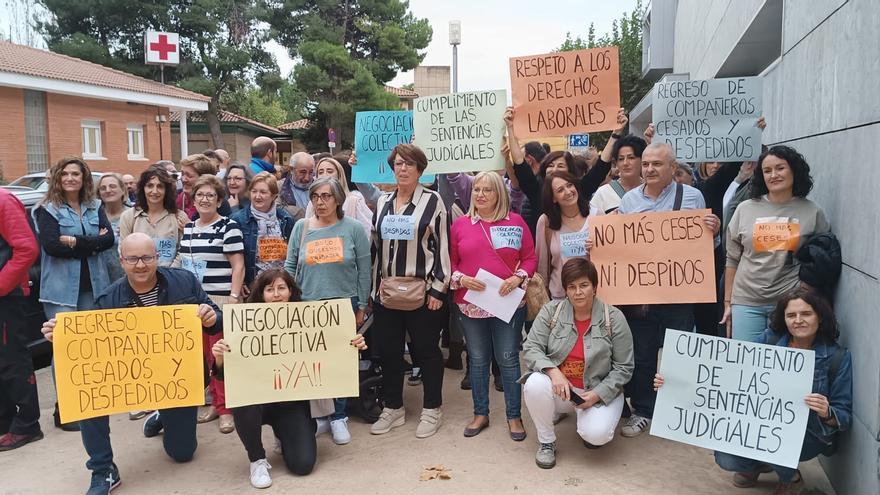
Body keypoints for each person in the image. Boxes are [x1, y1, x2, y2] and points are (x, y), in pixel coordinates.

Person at [40, 232, 221, 495]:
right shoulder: (108, 300)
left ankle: (162, 413)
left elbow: (219, 317)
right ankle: (103, 469)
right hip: (132, 381)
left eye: (147, 257)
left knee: (182, 453)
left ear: (157, 258)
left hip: (176, 381)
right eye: (133, 258)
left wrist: (210, 317)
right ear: (121, 261)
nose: (140, 265)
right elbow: (90, 349)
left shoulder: (185, 282)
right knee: (87, 393)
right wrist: (62, 337)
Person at [654, 288, 851, 494]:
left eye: (806, 314)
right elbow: (726, 372)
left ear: (820, 317)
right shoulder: (770, 340)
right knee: (726, 457)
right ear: (783, 320)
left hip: (808, 434)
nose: (798, 320)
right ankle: (761, 464)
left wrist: (827, 411)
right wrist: (674, 381)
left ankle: (790, 477)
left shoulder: (837, 358)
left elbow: (844, 416)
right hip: (758, 426)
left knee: (777, 444)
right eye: (791, 315)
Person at [210, 268, 367, 488]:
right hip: (258, 403)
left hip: (292, 403)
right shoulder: (244, 325)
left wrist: (351, 346)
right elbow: (228, 377)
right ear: (261, 294)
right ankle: (257, 459)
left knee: (303, 465)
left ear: (291, 291)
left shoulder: (309, 320)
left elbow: (330, 356)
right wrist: (219, 358)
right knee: (243, 401)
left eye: (281, 288)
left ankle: (283, 434)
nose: (276, 294)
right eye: (269, 289)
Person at [616, 143, 721, 438]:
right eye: (646, 163)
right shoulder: (629, 201)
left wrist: (713, 231)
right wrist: (600, 247)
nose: (649, 169)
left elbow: (706, 247)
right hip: (641, 294)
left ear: (672, 168)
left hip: (679, 292)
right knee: (643, 352)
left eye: (656, 164)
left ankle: (679, 411)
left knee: (680, 351)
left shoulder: (692, 196)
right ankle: (644, 410)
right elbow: (620, 248)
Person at [369, 143, 450, 439]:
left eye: (409, 164)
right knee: (389, 352)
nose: (402, 169)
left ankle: (432, 409)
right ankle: (393, 407)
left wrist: (438, 290)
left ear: (420, 169)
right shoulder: (383, 202)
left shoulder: (433, 201)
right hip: (387, 292)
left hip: (422, 292)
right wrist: (373, 288)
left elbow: (442, 247)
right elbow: (376, 247)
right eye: (398, 164)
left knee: (426, 351)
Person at [521, 258, 633, 468]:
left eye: (584, 285)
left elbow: (624, 368)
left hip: (597, 390)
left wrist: (597, 394)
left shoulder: (614, 318)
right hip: (563, 389)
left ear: (595, 287)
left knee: (596, 436)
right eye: (571, 287)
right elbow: (531, 347)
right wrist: (554, 372)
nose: (578, 292)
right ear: (565, 289)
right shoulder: (551, 311)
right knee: (534, 383)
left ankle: (587, 423)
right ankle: (547, 442)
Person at [449, 171, 536, 440]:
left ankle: (514, 416)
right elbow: (450, 262)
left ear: (500, 193)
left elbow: (530, 258)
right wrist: (461, 278)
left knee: (509, 359)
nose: (481, 195)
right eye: (477, 190)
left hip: (507, 303)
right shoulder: (461, 225)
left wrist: (518, 277)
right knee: (477, 360)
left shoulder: (516, 222)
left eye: (488, 190)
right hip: (471, 304)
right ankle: (480, 413)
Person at [284, 176, 371, 444]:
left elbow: (364, 271)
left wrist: (361, 305)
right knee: (313, 364)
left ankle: (339, 416)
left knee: (341, 364)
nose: (320, 202)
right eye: (315, 197)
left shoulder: (353, 228)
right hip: (308, 305)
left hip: (343, 304)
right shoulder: (301, 227)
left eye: (326, 196)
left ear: (338, 199)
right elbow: (289, 267)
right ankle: (320, 415)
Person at [34, 157, 115, 432]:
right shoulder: (47, 209)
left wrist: (75, 242)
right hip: (60, 292)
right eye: (65, 174)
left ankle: (88, 404)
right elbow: (52, 246)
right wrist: (91, 244)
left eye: (76, 174)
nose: (70, 178)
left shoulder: (95, 206)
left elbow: (109, 241)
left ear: (84, 179)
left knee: (90, 349)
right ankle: (66, 409)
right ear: (58, 177)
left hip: (93, 286)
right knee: (65, 348)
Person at [721, 145, 830, 342]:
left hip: (791, 305)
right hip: (746, 302)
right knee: (747, 366)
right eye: (767, 171)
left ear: (794, 170)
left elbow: (822, 256)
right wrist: (728, 302)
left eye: (780, 168)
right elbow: (732, 259)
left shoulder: (812, 212)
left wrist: (806, 292)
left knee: (782, 370)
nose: (773, 175)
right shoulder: (745, 209)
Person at [178, 174, 245, 434]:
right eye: (200, 195)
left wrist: (234, 297)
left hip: (218, 302)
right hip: (192, 303)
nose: (205, 200)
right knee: (206, 357)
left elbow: (238, 266)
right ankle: (216, 404)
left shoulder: (228, 227)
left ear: (219, 200)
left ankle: (227, 409)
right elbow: (181, 261)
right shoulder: (189, 228)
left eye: (210, 196)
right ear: (193, 200)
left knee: (221, 356)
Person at [508, 106, 621, 234]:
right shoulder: (536, 190)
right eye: (550, 166)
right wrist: (510, 128)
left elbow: (600, 167)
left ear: (570, 170)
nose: (555, 169)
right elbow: (520, 165)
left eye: (560, 166)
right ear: (544, 170)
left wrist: (616, 133)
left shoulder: (579, 189)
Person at [0, 188, 42, 451]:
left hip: (6, 297)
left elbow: (27, 248)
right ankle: (6, 422)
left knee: (13, 361)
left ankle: (27, 424)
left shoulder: (3, 200)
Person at [231, 172, 295, 291]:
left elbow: (292, 255)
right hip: (253, 286)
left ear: (274, 196)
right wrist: (242, 282)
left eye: (263, 192)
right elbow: (232, 257)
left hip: (281, 284)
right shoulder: (237, 220)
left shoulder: (286, 219)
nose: (257, 196)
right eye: (254, 191)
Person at [119, 165, 190, 268]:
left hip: (170, 277)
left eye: (160, 186)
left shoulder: (178, 216)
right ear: (143, 188)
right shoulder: (128, 216)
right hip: (138, 275)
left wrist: (170, 275)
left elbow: (183, 250)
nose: (155, 191)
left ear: (167, 190)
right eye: (150, 186)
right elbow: (123, 250)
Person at [535, 171, 591, 300]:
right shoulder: (546, 222)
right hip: (560, 296)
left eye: (570, 185)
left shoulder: (596, 214)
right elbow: (542, 265)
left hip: (594, 295)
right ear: (553, 198)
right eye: (560, 190)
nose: (568, 191)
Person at [304, 156, 373, 236]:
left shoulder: (354, 201)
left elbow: (368, 232)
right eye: (320, 172)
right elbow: (307, 232)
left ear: (339, 175)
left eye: (330, 171)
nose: (325, 175)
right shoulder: (312, 203)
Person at [589, 133, 646, 216]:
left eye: (631, 158)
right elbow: (590, 225)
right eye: (621, 159)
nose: (625, 163)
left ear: (642, 160)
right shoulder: (603, 193)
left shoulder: (652, 190)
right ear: (616, 163)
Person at [95, 173, 130, 282]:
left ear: (123, 190)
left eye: (113, 186)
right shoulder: (92, 216)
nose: (108, 190)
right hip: (100, 278)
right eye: (103, 188)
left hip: (126, 277)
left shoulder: (134, 215)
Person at [177, 153, 232, 220]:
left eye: (189, 176)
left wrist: (189, 227)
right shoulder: (173, 197)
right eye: (182, 174)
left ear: (204, 178)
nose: (183, 179)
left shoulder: (218, 202)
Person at [279, 152, 316, 217]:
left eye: (311, 172)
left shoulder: (318, 187)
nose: (307, 178)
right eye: (302, 172)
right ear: (291, 169)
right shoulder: (279, 187)